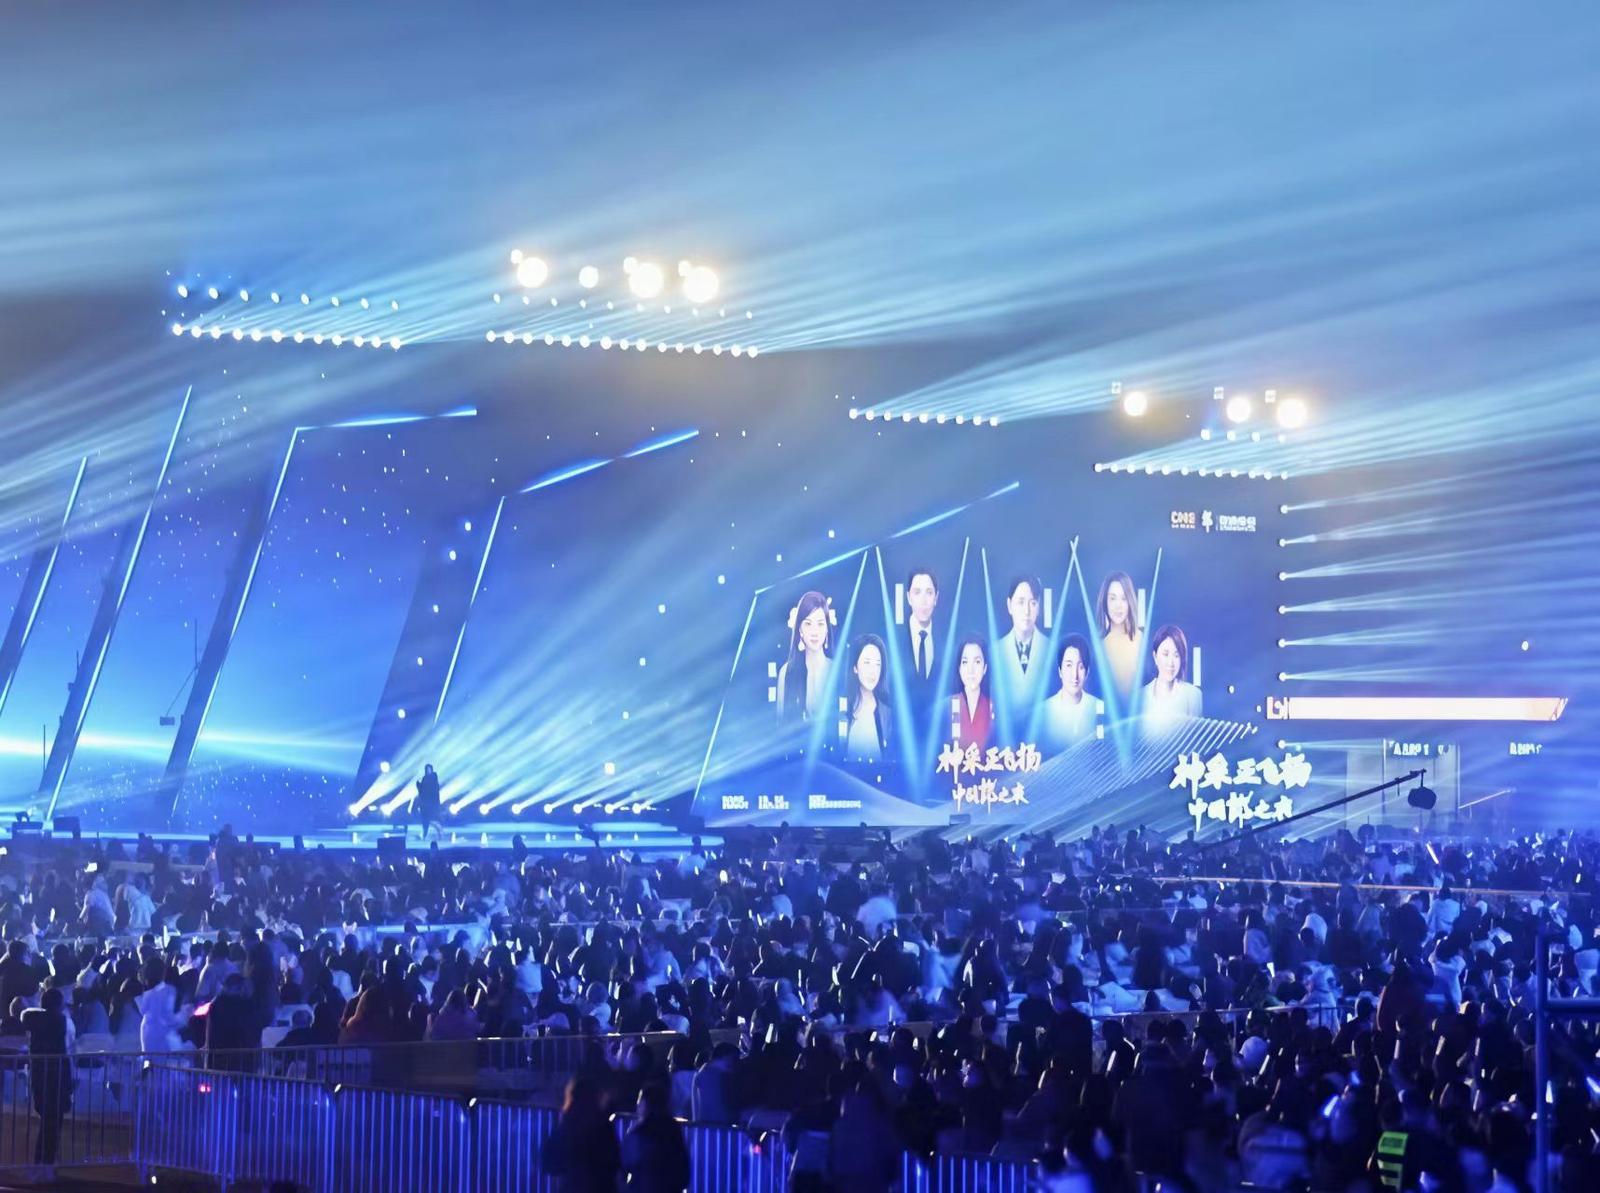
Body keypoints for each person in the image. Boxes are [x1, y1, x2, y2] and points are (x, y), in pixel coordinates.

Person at [541, 1074, 621, 1193]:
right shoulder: (603, 1126)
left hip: (573, 1186)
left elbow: (549, 1162)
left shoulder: (568, 1125)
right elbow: (615, 1161)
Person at [21, 988, 72, 1167]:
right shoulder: (59, 1022)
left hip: (39, 1077)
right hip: (56, 1078)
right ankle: (47, 1164)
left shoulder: (33, 1022)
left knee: (46, 1124)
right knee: (53, 1125)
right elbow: (62, 1053)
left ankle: (41, 1163)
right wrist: (69, 1082)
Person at [992, 576, 1047, 732]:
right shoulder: (994, 652)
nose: (1027, 611)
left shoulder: (1052, 649)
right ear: (1010, 605)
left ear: (1039, 607)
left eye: (1033, 603)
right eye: (1021, 602)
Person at [621, 1081, 691, 1193]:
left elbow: (624, 1166)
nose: (637, 1105)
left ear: (646, 1104)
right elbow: (684, 1174)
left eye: (640, 1100)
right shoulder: (674, 1131)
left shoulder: (639, 1133)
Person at [776, 591, 834, 723]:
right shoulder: (787, 673)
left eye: (820, 624)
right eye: (808, 623)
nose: (815, 632)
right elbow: (780, 725)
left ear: (826, 629)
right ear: (800, 630)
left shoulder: (837, 671)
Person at [901, 566, 942, 734]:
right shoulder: (894, 638)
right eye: (917, 592)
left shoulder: (946, 639)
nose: (923, 601)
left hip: (939, 736)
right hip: (900, 735)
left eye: (929, 593)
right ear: (908, 597)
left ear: (936, 598)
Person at [1040, 633, 1098, 751]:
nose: (1074, 675)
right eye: (1068, 665)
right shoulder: (1045, 710)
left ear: (1087, 672)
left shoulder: (1098, 707)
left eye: (1080, 667)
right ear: (1060, 671)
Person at [1141, 623, 1202, 728]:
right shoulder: (1140, 697)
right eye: (1165, 654)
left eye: (1176, 655)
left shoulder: (1193, 695)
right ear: (1155, 656)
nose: (1171, 663)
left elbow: (1196, 736)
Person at [1096, 571, 1143, 705]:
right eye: (1112, 598)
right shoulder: (1100, 646)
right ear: (1105, 602)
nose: (1118, 605)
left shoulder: (1142, 639)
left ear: (1130, 601)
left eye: (1124, 598)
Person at [842, 634, 890, 762]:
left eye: (878, 664)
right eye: (867, 663)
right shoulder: (841, 708)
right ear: (855, 667)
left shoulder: (887, 710)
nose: (873, 671)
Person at [949, 636, 993, 751]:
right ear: (959, 668)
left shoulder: (994, 709)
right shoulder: (946, 708)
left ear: (985, 668)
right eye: (965, 662)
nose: (970, 670)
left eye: (977, 662)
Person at [412, 764, 442, 841]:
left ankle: (437, 833)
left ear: (431, 770)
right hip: (424, 803)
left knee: (432, 819)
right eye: (427, 769)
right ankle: (425, 834)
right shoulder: (425, 778)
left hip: (431, 803)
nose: (428, 771)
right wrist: (418, 785)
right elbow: (422, 790)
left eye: (429, 769)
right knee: (425, 820)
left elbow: (433, 790)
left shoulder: (434, 778)